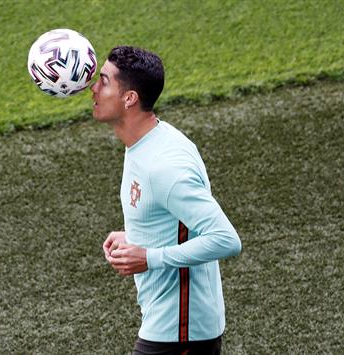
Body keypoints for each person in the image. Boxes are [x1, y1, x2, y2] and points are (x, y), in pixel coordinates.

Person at [91, 46, 242, 355]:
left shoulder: (164, 166)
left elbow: (226, 239)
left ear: (129, 97)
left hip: (181, 332)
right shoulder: (146, 143)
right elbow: (173, 219)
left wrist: (149, 257)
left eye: (104, 81)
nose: (92, 88)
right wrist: (136, 237)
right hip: (171, 326)